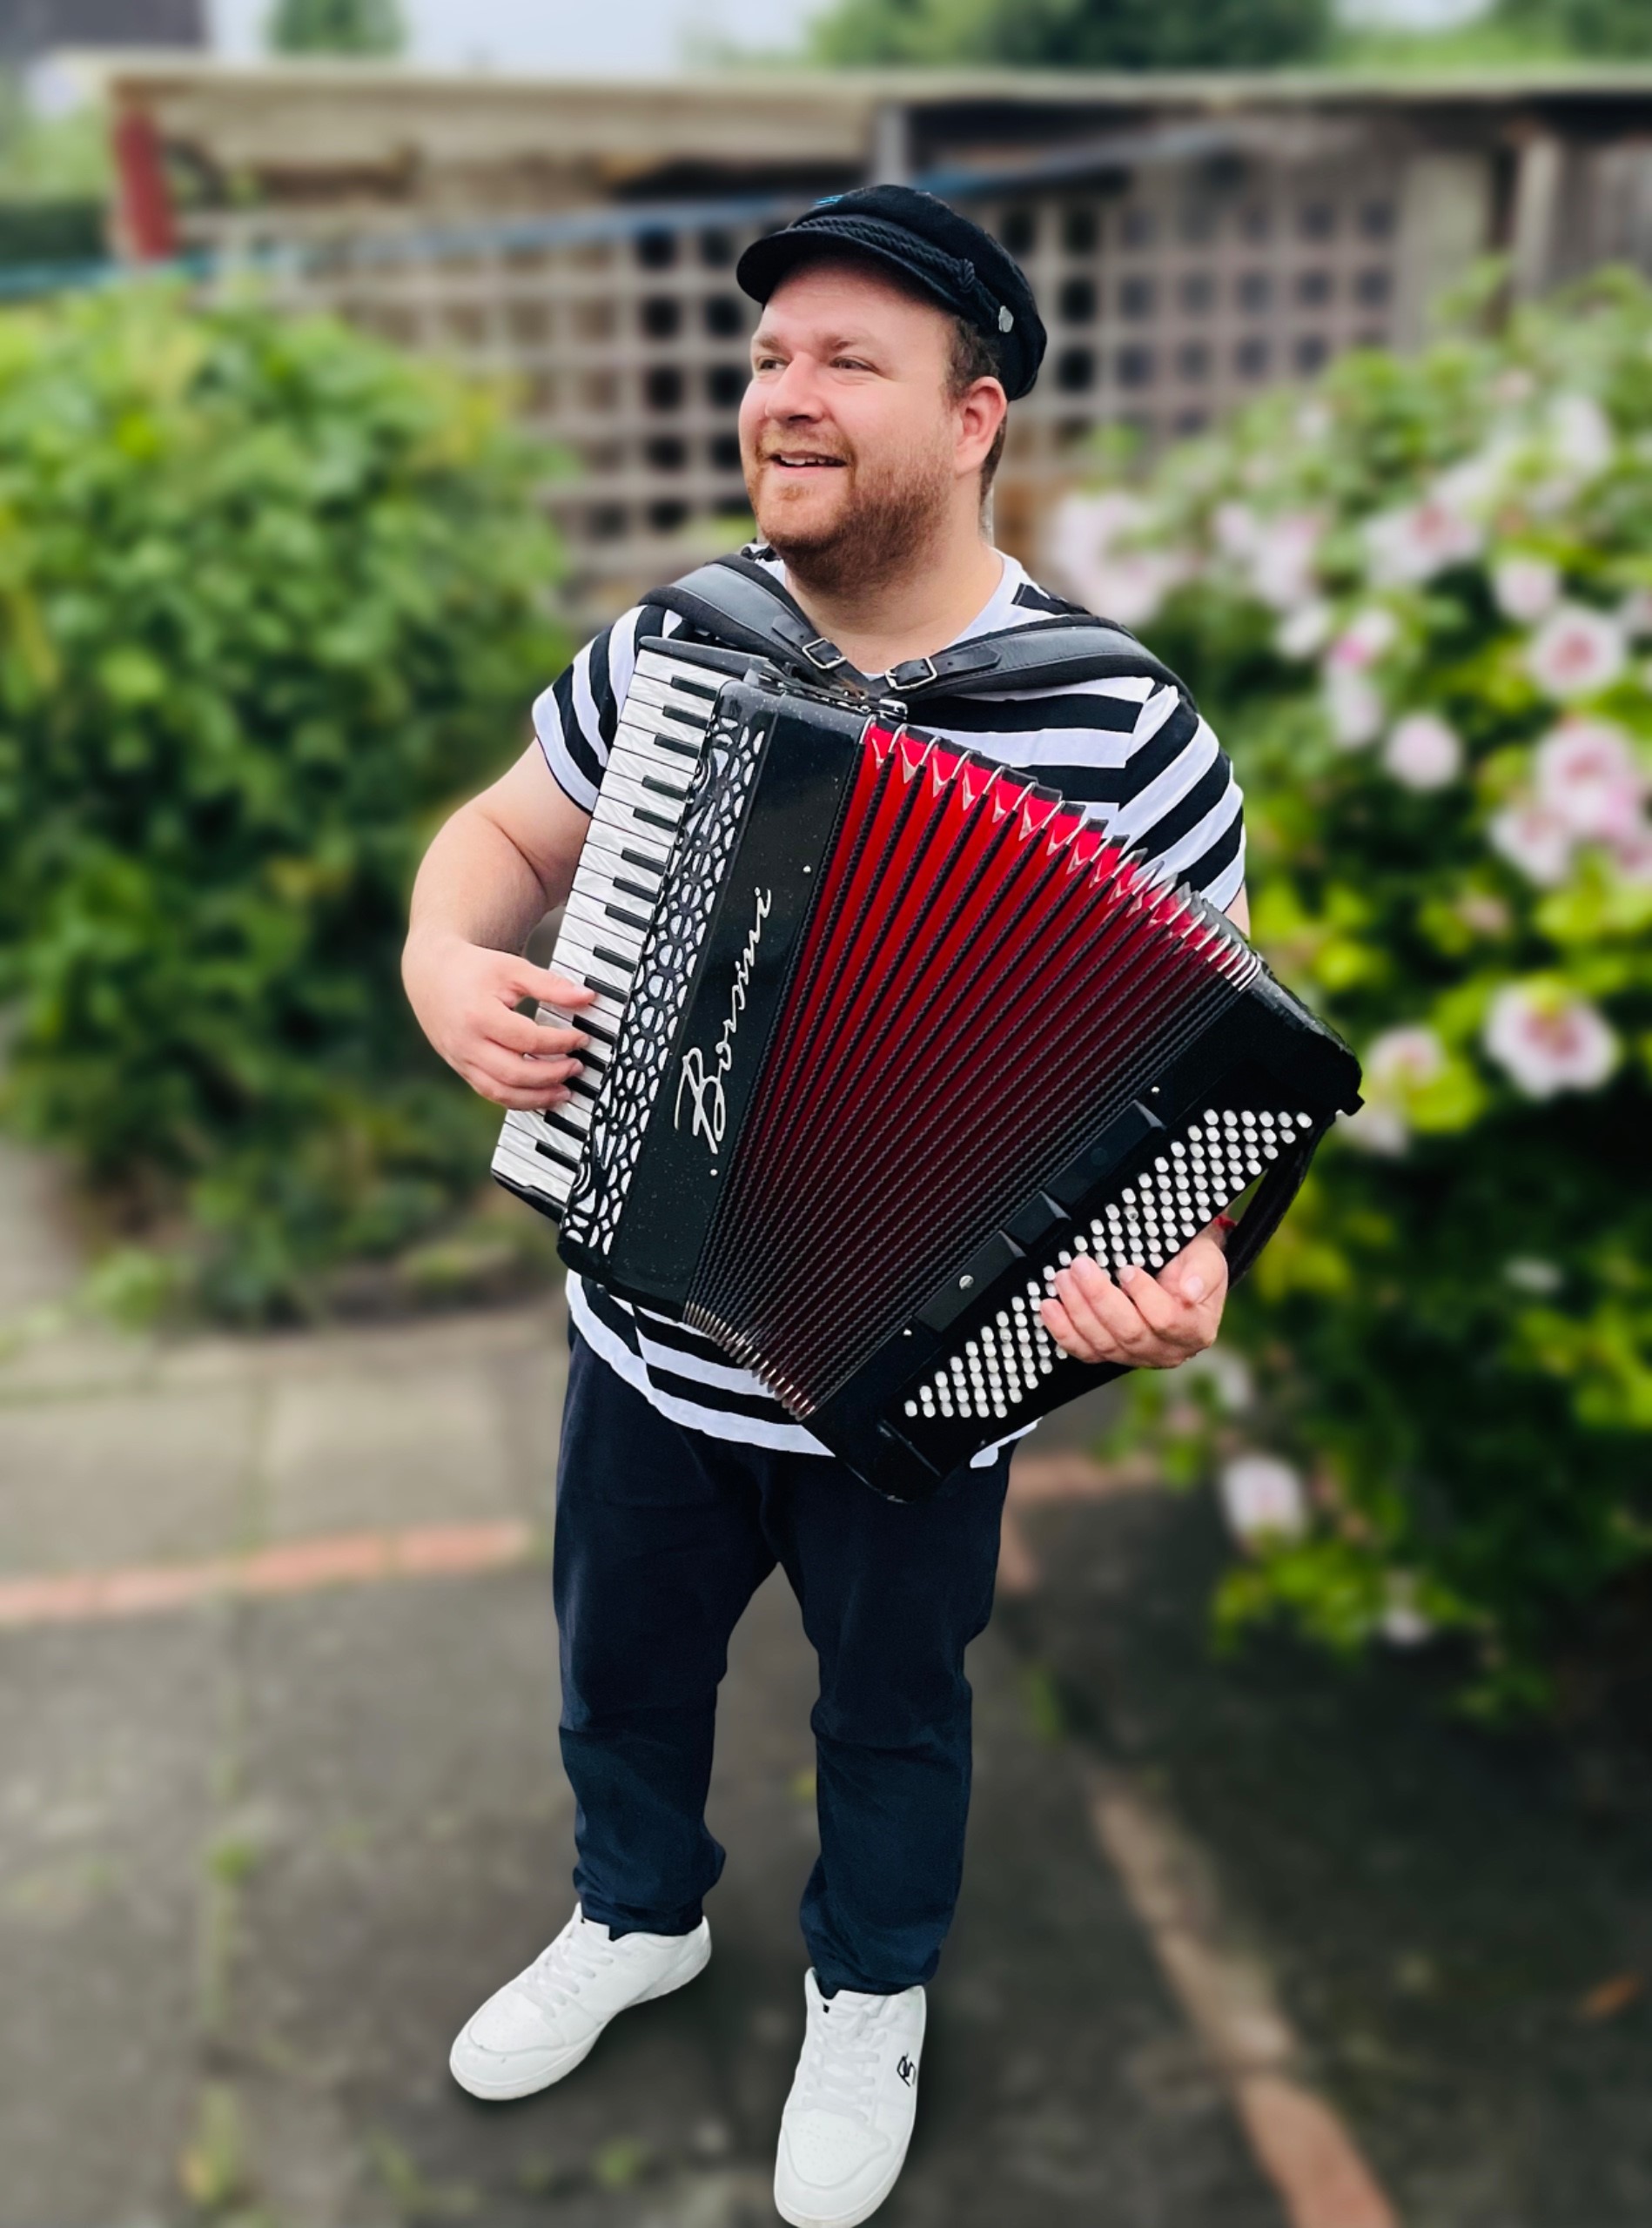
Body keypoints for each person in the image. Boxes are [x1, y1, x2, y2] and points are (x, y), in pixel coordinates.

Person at [402, 185, 1249, 2228]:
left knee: (893, 1710)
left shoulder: (1121, 726)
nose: (783, 392)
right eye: (770, 353)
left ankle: (868, 1987)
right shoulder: (675, 640)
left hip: (915, 1379)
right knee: (619, 1672)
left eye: (846, 360)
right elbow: (501, 836)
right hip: (644, 1337)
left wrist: (1192, 1264)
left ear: (973, 416)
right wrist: (443, 958)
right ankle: (637, 1913)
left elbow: (1212, 1083)